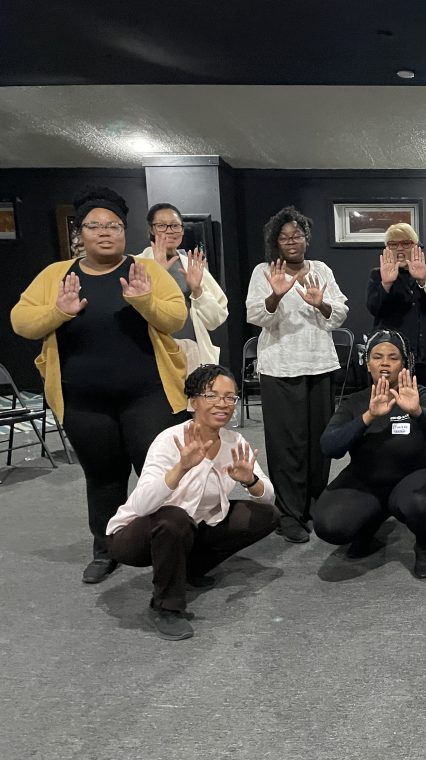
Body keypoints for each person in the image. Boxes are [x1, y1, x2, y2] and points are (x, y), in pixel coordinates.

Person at [11, 186, 187, 585]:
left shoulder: (147, 272)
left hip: (148, 394)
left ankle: (169, 549)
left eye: (113, 225)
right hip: (84, 399)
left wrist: (144, 301)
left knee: (158, 475)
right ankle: (106, 548)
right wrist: (58, 310)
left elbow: (175, 318)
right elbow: (21, 322)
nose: (104, 232)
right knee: (103, 477)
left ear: (124, 232)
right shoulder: (57, 276)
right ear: (81, 233)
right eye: (94, 225)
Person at [106, 365, 278, 641]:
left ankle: (188, 568)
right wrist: (181, 468)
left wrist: (249, 480)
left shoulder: (234, 441)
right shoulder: (169, 440)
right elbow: (141, 505)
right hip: (137, 533)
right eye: (212, 396)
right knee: (172, 518)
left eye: (230, 397)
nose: (222, 404)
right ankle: (166, 607)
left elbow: (268, 496)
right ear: (193, 401)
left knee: (264, 515)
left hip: (193, 527)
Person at [245, 205, 348, 544]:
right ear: (275, 242)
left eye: (297, 235)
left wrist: (320, 303)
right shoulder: (264, 270)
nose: (291, 241)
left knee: (319, 441)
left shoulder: (321, 269)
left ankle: (316, 503)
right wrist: (275, 295)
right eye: (284, 237)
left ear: (306, 238)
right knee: (287, 443)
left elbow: (339, 314)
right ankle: (288, 512)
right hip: (279, 367)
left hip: (319, 364)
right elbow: (256, 316)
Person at [312, 331, 426, 579]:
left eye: (393, 357)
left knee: (424, 505)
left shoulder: (419, 393)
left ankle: (422, 544)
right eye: (377, 356)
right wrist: (368, 417)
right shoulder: (355, 402)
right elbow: (329, 446)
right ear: (368, 363)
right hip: (367, 482)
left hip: (416, 476)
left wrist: (418, 412)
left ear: (404, 364)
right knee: (329, 524)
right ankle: (370, 521)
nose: (385, 362)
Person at [136, 203, 229, 371]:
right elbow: (135, 312)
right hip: (153, 352)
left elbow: (216, 320)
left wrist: (197, 291)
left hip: (193, 351)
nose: (170, 231)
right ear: (151, 229)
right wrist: (157, 273)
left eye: (175, 225)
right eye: (162, 226)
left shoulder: (192, 264)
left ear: (183, 230)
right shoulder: (138, 264)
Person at [366, 223, 426, 387]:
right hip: (390, 356)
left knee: (420, 404)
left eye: (405, 243)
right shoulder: (377, 274)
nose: (399, 248)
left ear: (414, 246)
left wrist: (422, 281)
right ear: (387, 248)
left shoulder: (421, 275)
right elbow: (374, 308)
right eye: (393, 244)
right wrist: (386, 284)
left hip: (420, 356)